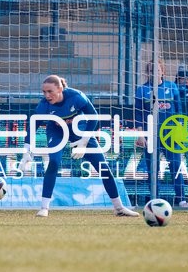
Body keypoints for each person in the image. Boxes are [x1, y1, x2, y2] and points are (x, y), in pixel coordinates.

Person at [19, 75, 139, 218]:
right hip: (56, 131)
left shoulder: (76, 97)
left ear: (60, 88)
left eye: (50, 91)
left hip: (80, 129)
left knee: (103, 167)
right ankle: (44, 208)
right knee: (54, 162)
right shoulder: (43, 105)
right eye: (44, 92)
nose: (47, 95)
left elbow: (93, 115)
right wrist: (26, 151)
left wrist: (85, 140)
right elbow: (33, 126)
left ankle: (119, 208)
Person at [135, 61, 188, 208]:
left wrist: (181, 130)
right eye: (152, 70)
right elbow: (138, 115)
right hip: (151, 134)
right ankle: (155, 199)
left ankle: (182, 199)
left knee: (176, 166)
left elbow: (179, 111)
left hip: (170, 134)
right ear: (148, 73)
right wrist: (141, 134)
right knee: (153, 169)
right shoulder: (141, 90)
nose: (155, 72)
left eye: (157, 70)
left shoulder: (171, 87)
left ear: (162, 71)